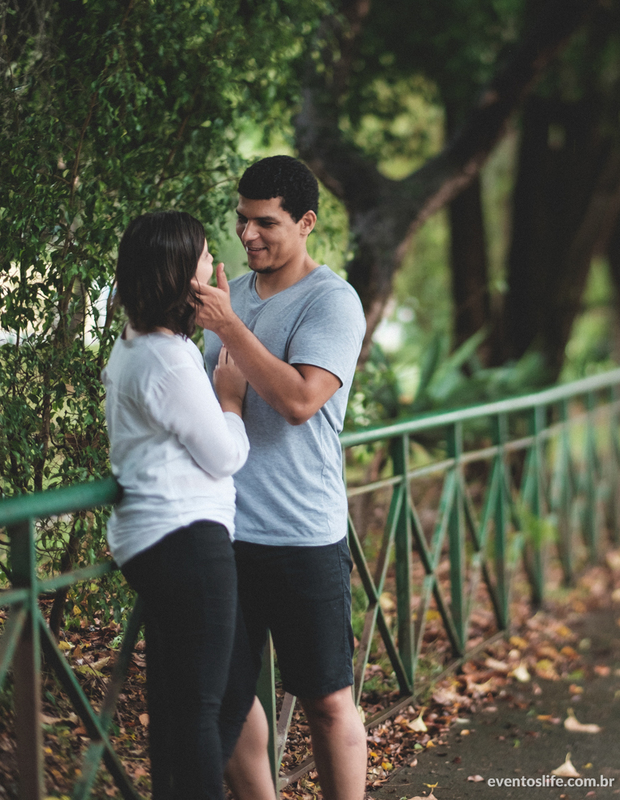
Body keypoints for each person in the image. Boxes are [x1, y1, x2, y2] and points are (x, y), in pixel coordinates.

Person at [193, 155, 368, 800]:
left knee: (326, 703)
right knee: (229, 702)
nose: (248, 235)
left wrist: (230, 330)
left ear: (306, 222)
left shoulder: (333, 302)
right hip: (225, 533)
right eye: (242, 221)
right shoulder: (228, 297)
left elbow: (299, 402)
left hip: (303, 534)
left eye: (265, 222)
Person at [103, 211, 273, 799]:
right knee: (205, 705)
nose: (213, 262)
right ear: (179, 273)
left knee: (191, 699)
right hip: (186, 539)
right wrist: (230, 397)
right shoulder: (168, 359)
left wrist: (217, 328)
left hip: (154, 539)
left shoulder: (137, 344)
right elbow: (224, 455)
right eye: (203, 255)